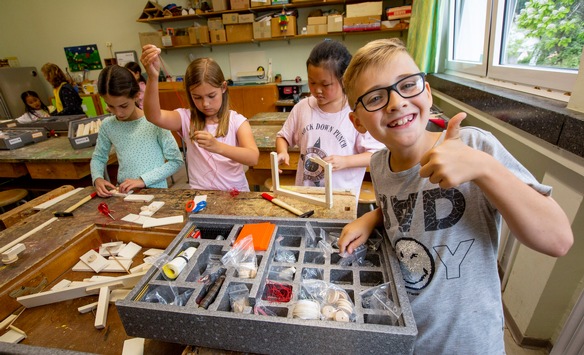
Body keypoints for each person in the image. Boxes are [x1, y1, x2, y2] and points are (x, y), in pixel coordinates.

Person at [338, 38, 573, 354]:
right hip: (407, 337)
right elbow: (405, 212)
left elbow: (558, 240)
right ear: (357, 122)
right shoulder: (379, 165)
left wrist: (484, 168)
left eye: (407, 85)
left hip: (468, 343)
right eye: (376, 97)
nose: (396, 103)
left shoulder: (474, 148)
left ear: (428, 92)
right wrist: (372, 217)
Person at [140, 45, 259, 192]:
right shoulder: (185, 118)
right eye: (197, 97)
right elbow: (153, 116)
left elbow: (253, 157)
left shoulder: (237, 121)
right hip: (201, 195)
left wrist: (218, 147)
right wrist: (153, 77)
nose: (205, 104)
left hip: (236, 195)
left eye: (211, 96)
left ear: (223, 88)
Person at [276, 40, 384, 196]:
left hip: (341, 198)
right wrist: (282, 151)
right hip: (306, 195)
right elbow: (283, 137)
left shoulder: (357, 112)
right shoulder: (302, 107)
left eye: (325, 85)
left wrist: (345, 161)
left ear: (344, 80)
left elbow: (376, 155)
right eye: (312, 82)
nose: (317, 90)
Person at [90, 64, 184, 197]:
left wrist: (142, 180)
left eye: (123, 105)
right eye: (111, 106)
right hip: (124, 193)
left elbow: (176, 161)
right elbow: (98, 158)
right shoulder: (108, 125)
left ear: (136, 95)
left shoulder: (154, 121)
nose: (118, 112)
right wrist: (97, 178)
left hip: (155, 193)